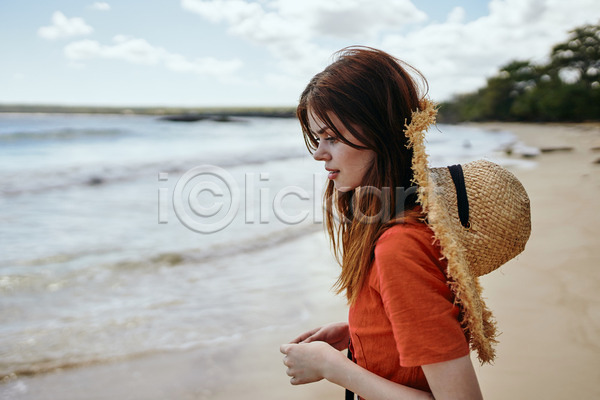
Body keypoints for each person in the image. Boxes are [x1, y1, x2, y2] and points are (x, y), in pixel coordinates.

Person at [279, 46, 521, 399]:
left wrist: (333, 367)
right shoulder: (396, 223)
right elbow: (418, 319)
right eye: (317, 138)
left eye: (331, 137)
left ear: (379, 133)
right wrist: (359, 332)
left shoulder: (399, 245)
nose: (319, 152)